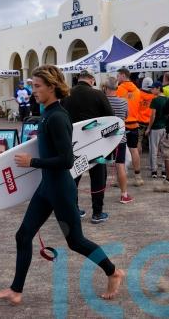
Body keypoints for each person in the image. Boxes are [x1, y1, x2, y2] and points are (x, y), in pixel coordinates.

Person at [0, 65, 125, 305]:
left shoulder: (58, 117)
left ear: (51, 87)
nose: (33, 90)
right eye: (33, 86)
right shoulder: (48, 114)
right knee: (23, 236)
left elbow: (66, 160)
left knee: (75, 241)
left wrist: (32, 162)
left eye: (37, 86)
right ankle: (16, 291)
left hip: (60, 189)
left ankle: (113, 272)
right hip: (46, 188)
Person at [61, 68, 114, 223]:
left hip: (74, 143)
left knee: (73, 176)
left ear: (79, 78)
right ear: (92, 79)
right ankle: (97, 213)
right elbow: (111, 118)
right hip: (95, 144)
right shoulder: (98, 94)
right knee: (98, 177)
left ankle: (74, 210)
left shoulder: (67, 95)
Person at [102, 76, 133, 204]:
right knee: (120, 165)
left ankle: (99, 195)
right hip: (120, 138)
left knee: (101, 165)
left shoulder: (102, 101)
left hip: (104, 139)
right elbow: (126, 116)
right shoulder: (123, 102)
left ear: (105, 88)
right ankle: (124, 195)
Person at [116, 68, 143, 186]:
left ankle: (120, 178)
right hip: (134, 123)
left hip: (122, 124)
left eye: (118, 75)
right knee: (134, 150)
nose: (117, 78)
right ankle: (138, 177)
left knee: (120, 151)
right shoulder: (137, 90)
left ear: (123, 75)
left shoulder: (119, 89)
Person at [145, 81, 168, 179]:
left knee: (154, 150)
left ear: (158, 88)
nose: (151, 90)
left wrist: (148, 128)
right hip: (165, 127)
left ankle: (154, 170)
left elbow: (153, 116)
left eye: (153, 88)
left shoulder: (155, 100)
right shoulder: (167, 99)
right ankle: (164, 171)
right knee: (164, 150)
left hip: (155, 128)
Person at [137, 77, 155, 180]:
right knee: (152, 144)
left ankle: (137, 162)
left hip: (139, 121)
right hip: (150, 122)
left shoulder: (138, 94)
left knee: (138, 142)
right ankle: (153, 165)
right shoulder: (154, 95)